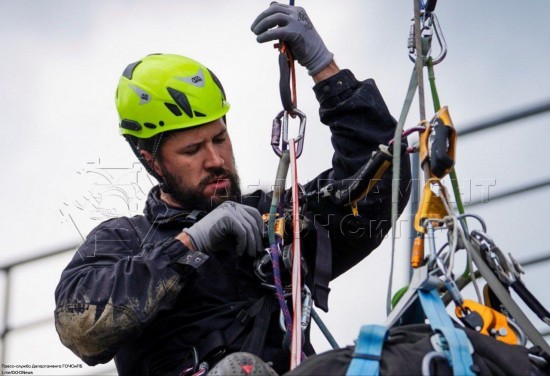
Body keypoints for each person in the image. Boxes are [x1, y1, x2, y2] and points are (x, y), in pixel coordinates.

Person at [54, 2, 411, 375]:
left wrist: (324, 68)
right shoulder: (126, 239)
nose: (216, 159)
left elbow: (381, 180)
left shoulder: (273, 219)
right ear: (152, 160)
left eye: (220, 138)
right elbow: (79, 326)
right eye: (192, 150)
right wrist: (191, 244)